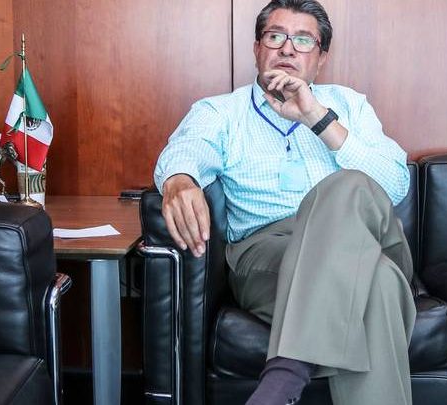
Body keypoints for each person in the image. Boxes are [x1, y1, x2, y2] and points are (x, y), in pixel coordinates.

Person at [153, 1, 416, 404]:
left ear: (321, 58)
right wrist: (179, 179)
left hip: (371, 240)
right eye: (275, 36)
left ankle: (284, 376)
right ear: (257, 49)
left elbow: (396, 185)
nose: (288, 48)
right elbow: (187, 149)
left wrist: (317, 119)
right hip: (270, 255)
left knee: (346, 186)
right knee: (377, 283)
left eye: (304, 40)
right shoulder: (221, 112)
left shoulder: (349, 105)